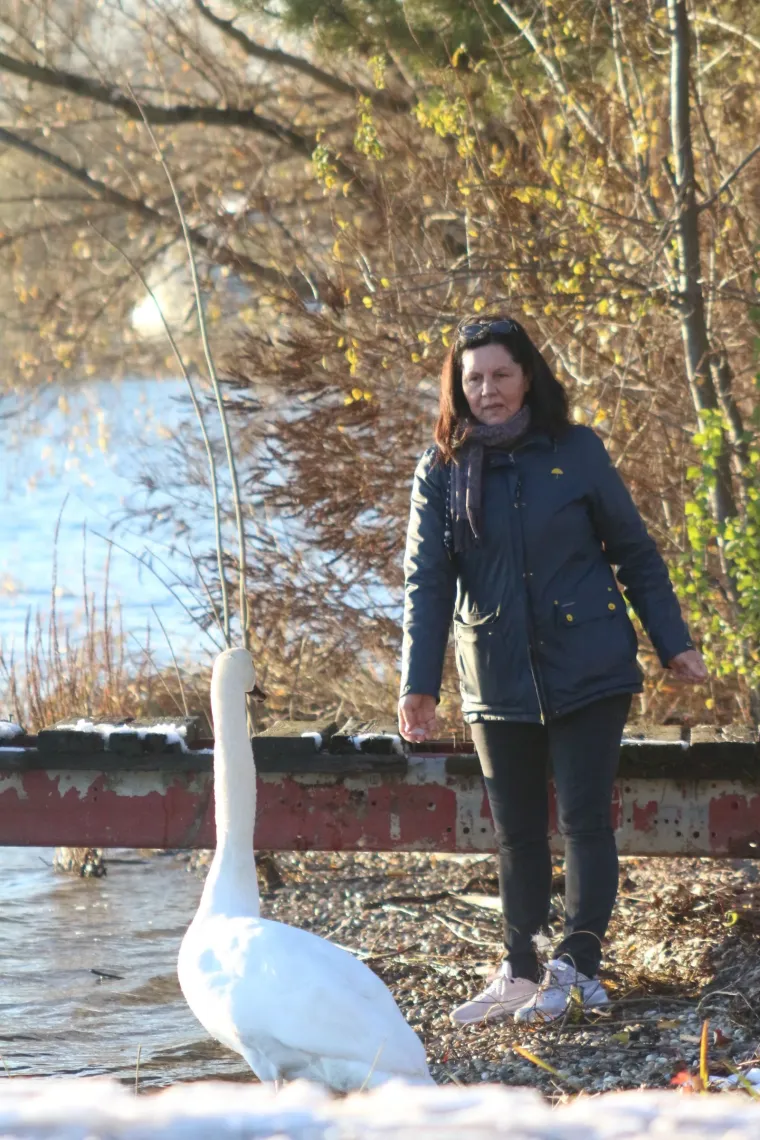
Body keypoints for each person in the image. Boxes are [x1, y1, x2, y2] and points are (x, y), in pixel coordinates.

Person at [398, 317, 708, 1027]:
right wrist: (419, 686)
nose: (488, 391)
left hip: (589, 665)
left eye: (501, 375)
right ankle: (521, 967)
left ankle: (580, 967)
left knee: (583, 822)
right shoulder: (440, 471)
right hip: (495, 675)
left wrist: (672, 642)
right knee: (514, 834)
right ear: (458, 386)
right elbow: (427, 584)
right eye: (473, 379)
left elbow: (634, 552)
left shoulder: (577, 452)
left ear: (528, 376)